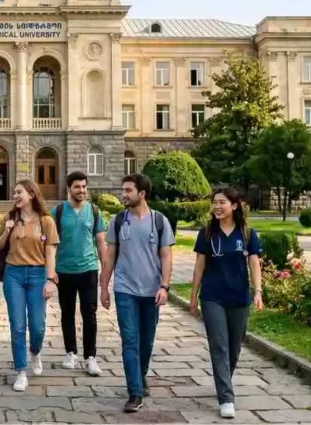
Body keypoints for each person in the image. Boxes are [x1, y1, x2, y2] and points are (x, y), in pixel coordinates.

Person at [100, 173, 175, 413]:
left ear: (141, 193)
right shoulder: (119, 220)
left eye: (128, 190)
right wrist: (104, 286)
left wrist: (164, 286)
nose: (124, 194)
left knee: (147, 340)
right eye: (124, 190)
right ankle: (135, 392)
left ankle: (140, 374)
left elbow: (166, 255)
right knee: (130, 340)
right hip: (125, 289)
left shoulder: (159, 221)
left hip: (152, 291)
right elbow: (110, 255)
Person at [189, 187, 264, 420]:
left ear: (234, 205)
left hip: (239, 298)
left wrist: (258, 291)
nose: (217, 206)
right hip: (213, 297)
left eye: (222, 202)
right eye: (215, 202)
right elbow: (199, 265)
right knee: (219, 345)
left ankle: (224, 381)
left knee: (234, 347)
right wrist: (193, 295)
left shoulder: (248, 233)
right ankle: (226, 397)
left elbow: (254, 264)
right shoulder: (207, 233)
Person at [0, 179, 59, 392]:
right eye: (14, 193)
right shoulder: (9, 217)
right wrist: (7, 230)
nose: (15, 196)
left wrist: (50, 280)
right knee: (17, 324)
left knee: (38, 326)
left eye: (19, 192)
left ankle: (36, 350)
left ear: (31, 194)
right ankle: (21, 371)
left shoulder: (46, 221)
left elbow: (50, 253)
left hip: (38, 274)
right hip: (13, 274)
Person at [50, 171, 106, 377]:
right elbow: (50, 244)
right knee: (67, 313)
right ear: (69, 189)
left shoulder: (94, 211)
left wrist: (105, 272)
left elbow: (101, 242)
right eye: (77, 187)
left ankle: (91, 356)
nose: (81, 190)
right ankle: (70, 352)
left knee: (89, 314)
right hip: (64, 270)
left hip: (89, 269)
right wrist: (49, 272)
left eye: (84, 187)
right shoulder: (57, 211)